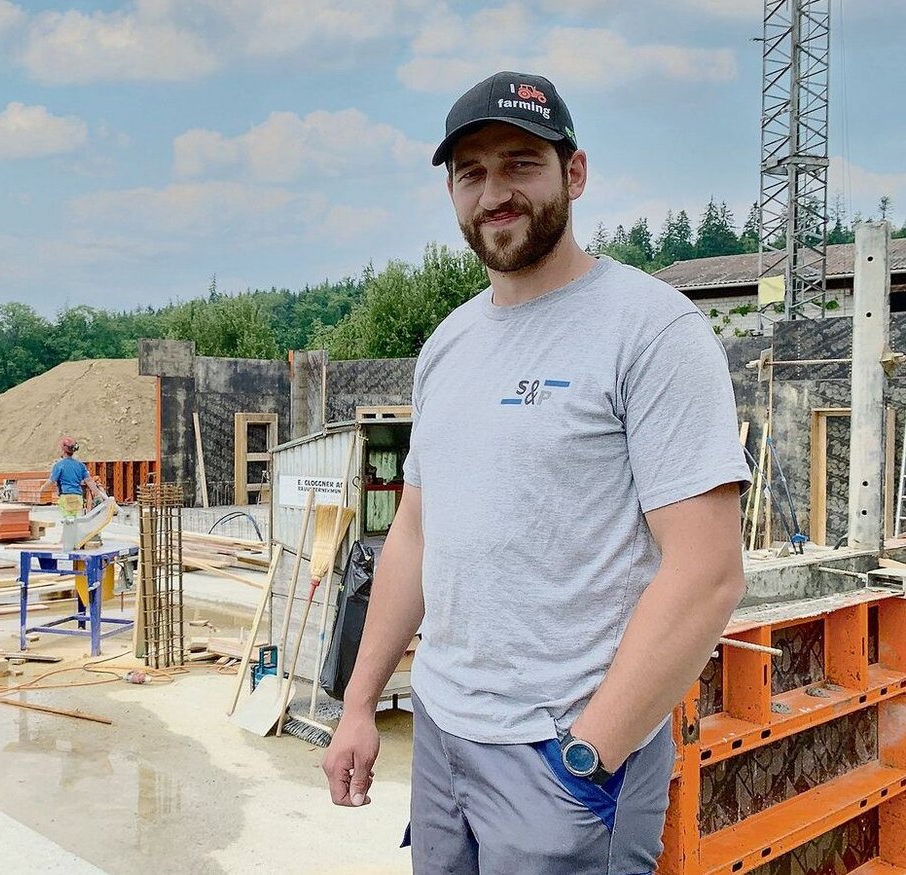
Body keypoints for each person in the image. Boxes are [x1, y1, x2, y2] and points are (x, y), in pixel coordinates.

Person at [321, 71, 750, 874]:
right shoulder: (447, 345)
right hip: (444, 737)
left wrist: (592, 752)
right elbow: (414, 534)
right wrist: (357, 703)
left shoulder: (650, 330)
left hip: (565, 754)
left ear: (574, 174)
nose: (495, 193)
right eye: (471, 173)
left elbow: (707, 572)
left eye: (521, 164)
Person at [49, 437, 93, 520]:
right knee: (74, 519)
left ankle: (69, 532)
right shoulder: (80, 465)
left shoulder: (59, 465)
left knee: (67, 520)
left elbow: (52, 480)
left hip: (66, 497)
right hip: (78, 497)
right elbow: (89, 480)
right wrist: (97, 494)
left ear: (63, 450)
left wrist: (42, 489)